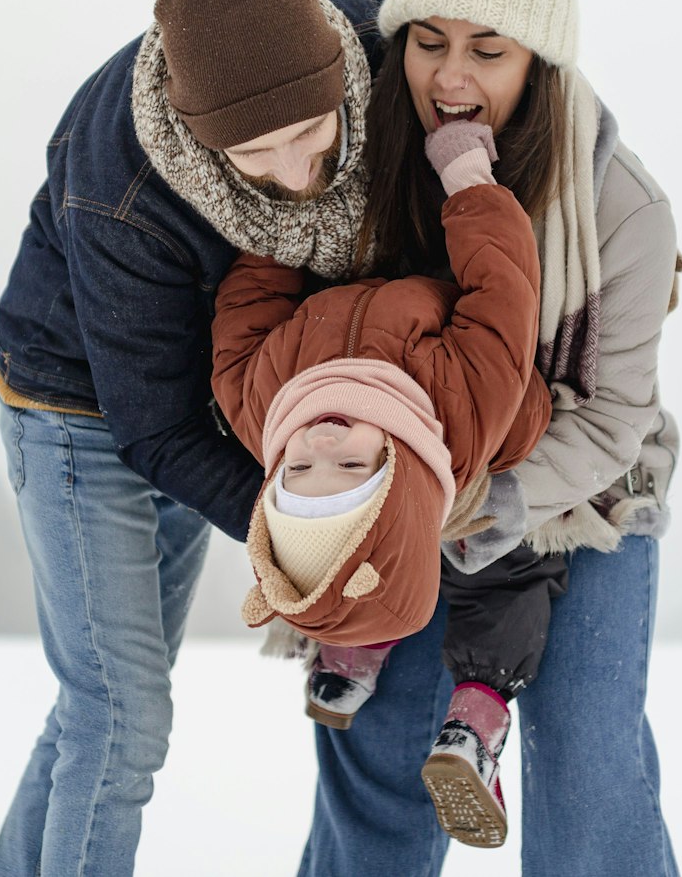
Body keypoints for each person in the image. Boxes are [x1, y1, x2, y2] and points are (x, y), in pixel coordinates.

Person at [298, 0, 682, 875]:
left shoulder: (622, 208)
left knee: (586, 769)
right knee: (375, 748)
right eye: (426, 41)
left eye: (487, 48)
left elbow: (610, 422)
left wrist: (488, 492)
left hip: (581, 488)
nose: (450, 75)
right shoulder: (364, 164)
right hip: (401, 479)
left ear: (539, 59)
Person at [0, 0, 386, 877]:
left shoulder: (374, 38)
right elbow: (152, 426)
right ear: (201, 133)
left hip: (205, 399)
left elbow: (507, 64)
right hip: (80, 410)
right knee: (120, 718)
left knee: (101, 709)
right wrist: (301, 534)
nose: (298, 175)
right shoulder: (120, 185)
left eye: (312, 132)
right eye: (258, 152)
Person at [209, 117, 561, 848]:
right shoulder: (465, 404)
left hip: (407, 495)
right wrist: (466, 180)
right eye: (349, 467)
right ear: (392, 470)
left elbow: (245, 311)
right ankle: (475, 710)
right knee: (510, 570)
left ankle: (352, 644)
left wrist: (287, 208)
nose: (318, 442)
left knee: (381, 564)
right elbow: (505, 292)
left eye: (298, 471)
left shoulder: (263, 403)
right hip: (447, 468)